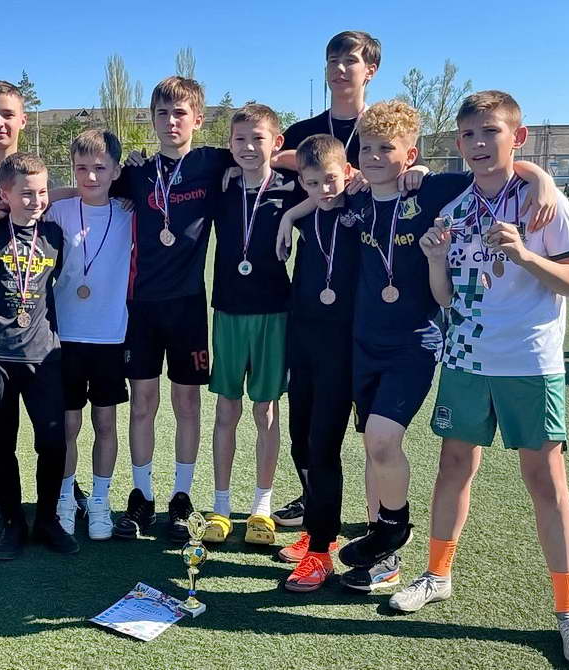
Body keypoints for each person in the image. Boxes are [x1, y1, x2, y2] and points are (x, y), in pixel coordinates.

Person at [388, 91, 569, 665]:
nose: (479, 144)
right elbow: (445, 299)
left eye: (491, 132)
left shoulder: (543, 203)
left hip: (530, 363)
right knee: (454, 465)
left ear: (517, 137)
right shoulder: (456, 210)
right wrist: (435, 260)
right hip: (465, 359)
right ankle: (436, 575)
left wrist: (526, 255)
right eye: (469, 135)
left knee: (545, 479)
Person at [105, 76, 236, 542]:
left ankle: (182, 496)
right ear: (152, 119)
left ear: (198, 119)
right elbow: (87, 184)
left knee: (187, 403)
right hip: (140, 307)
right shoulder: (137, 172)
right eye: (163, 113)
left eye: (180, 113)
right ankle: (141, 496)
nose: (171, 121)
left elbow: (269, 153)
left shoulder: (213, 162)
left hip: (187, 307)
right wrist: (9, 203)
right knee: (142, 403)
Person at [270, 29, 381, 529]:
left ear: (369, 70)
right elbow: (272, 159)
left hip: (365, 306)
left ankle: (378, 520)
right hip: (311, 300)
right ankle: (315, 506)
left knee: (369, 428)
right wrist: (296, 207)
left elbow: (406, 169)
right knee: (309, 425)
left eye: (350, 60)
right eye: (333, 59)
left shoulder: (380, 126)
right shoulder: (305, 131)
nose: (340, 68)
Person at [0, 152, 77, 559]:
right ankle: (13, 522)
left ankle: (46, 519)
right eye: (26, 193)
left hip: (43, 353)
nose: (36, 200)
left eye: (42, 191)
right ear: (4, 193)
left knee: (52, 440)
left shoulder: (55, 234)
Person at [202, 104, 300, 546]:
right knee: (227, 410)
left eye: (258, 138)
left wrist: (292, 216)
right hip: (227, 312)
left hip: (274, 313)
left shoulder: (291, 187)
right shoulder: (221, 186)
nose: (247, 147)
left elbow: (332, 184)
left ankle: (261, 506)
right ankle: (221, 506)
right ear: (229, 144)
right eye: (239, 139)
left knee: (266, 411)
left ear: (275, 143)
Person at [273, 134, 361, 592]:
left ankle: (322, 552)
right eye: (312, 183)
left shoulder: (361, 208)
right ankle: (316, 524)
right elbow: (308, 195)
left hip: (340, 350)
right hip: (302, 342)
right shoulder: (307, 213)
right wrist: (290, 215)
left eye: (330, 179)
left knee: (323, 447)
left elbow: (398, 182)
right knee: (299, 443)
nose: (323, 190)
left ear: (347, 172)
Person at [46, 129, 132, 541]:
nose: (91, 176)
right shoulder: (59, 211)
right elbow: (33, 199)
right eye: (82, 168)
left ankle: (100, 500)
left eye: (100, 168)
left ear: (116, 170)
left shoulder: (129, 213)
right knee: (68, 424)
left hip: (110, 337)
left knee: (105, 422)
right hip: (65, 336)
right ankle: (66, 497)